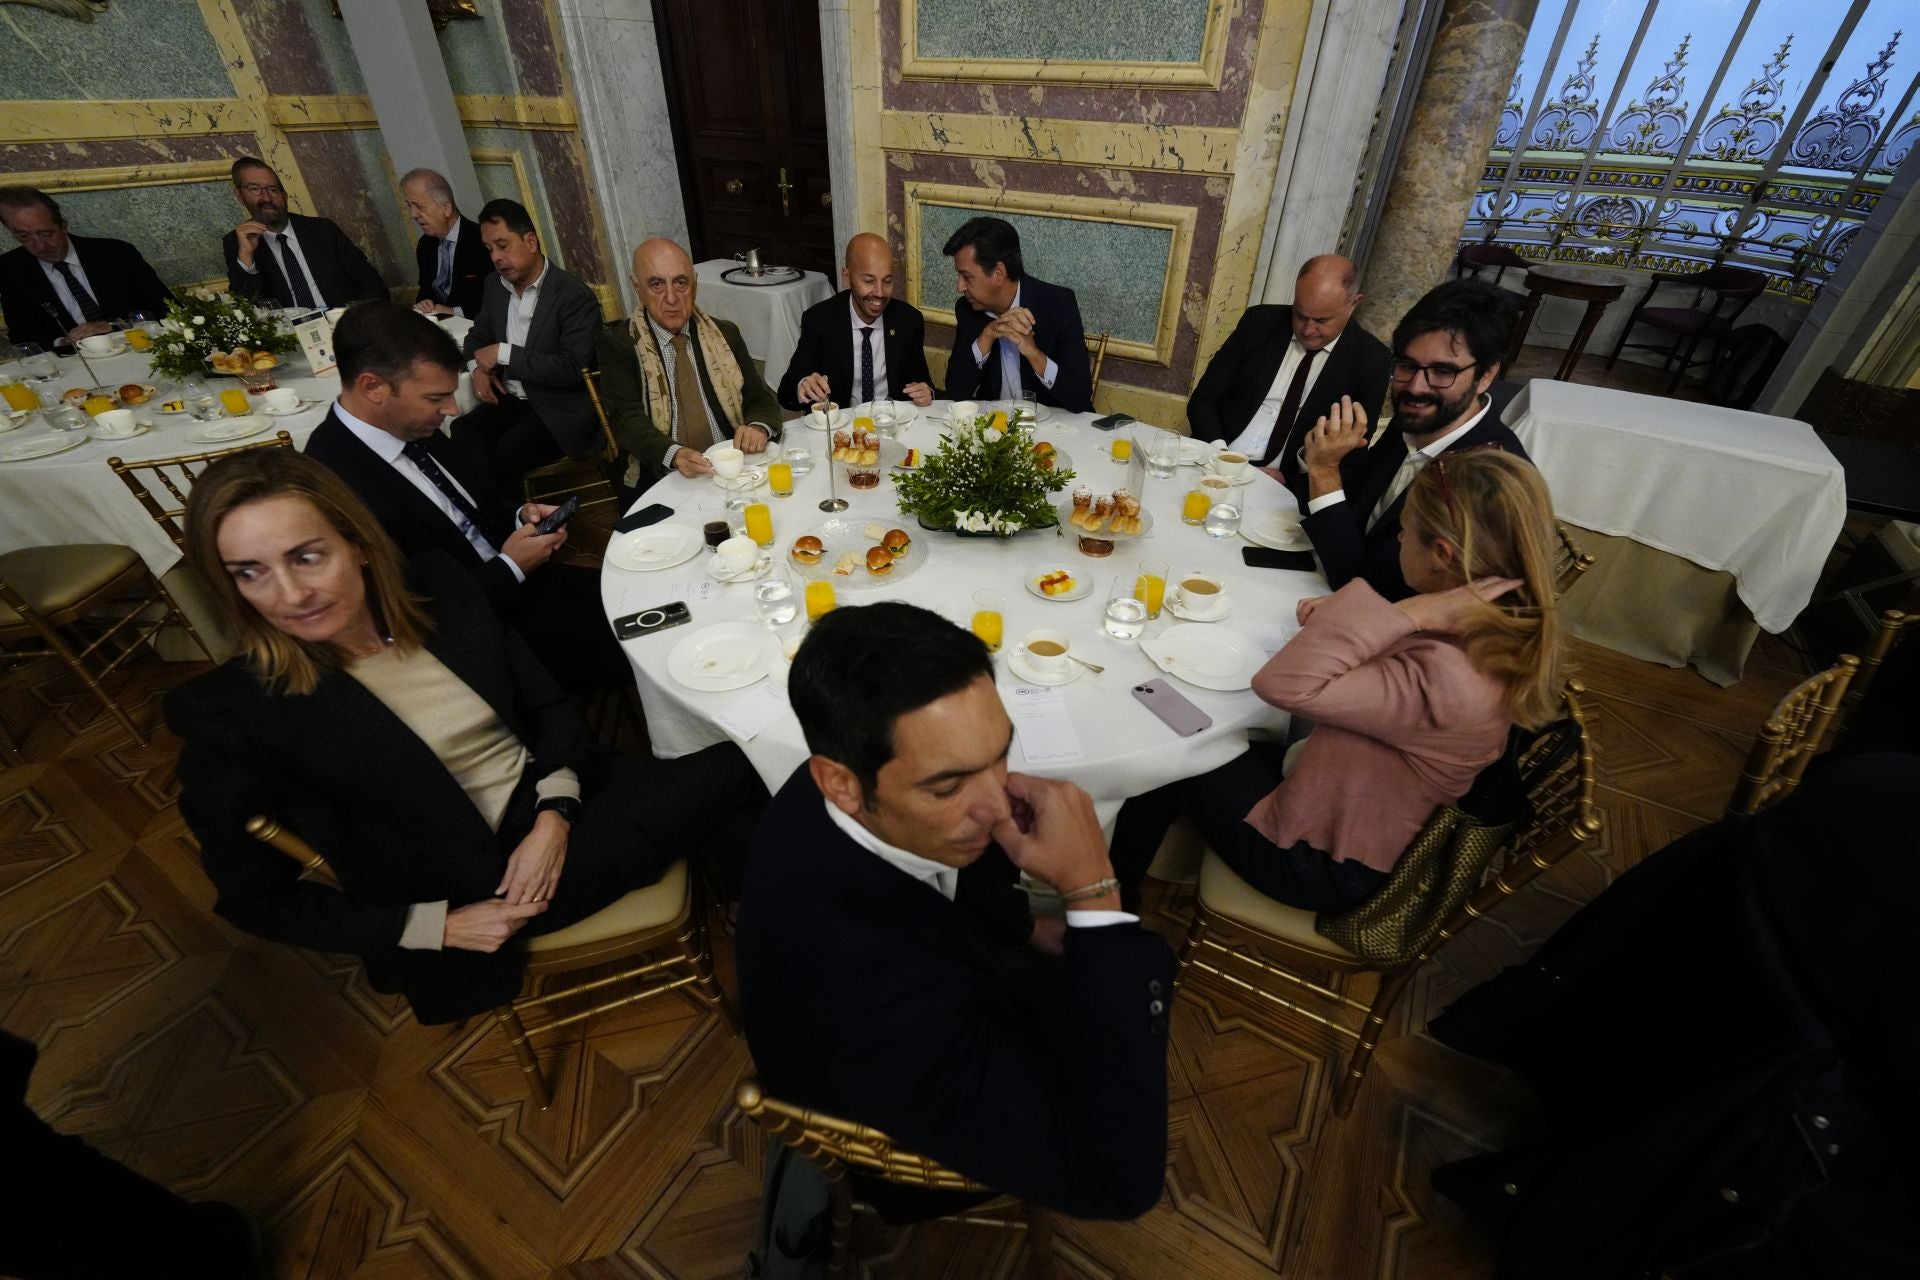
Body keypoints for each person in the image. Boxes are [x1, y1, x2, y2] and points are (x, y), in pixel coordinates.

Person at [165, 450, 765, 1025]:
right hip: (494, 886)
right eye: (250, 573)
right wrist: (435, 927)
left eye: (307, 557)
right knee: (749, 762)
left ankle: (744, 894)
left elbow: (550, 706)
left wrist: (554, 814)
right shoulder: (232, 711)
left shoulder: (438, 587)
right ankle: (753, 906)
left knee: (738, 769)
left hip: (561, 798)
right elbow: (253, 899)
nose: (291, 595)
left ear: (359, 544)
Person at [736, 602, 1172, 1223]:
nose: (997, 808)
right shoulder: (880, 1004)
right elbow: (1120, 1183)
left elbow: (926, 884)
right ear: (842, 783)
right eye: (948, 787)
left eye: (1001, 756)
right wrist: (1093, 891)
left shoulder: (827, 789)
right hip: (924, 1147)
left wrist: (1026, 923)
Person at [1110, 450, 1562, 914]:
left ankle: (1110, 912)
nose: (1399, 537)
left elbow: (1284, 686)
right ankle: (1153, 869)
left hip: (1319, 858)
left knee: (1167, 763)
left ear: (1441, 555)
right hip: (1334, 796)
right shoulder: (1497, 628)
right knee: (1204, 734)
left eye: (1405, 529)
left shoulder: (1450, 677)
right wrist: (1365, 620)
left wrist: (1407, 612)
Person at [304, 301, 632, 695]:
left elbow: (471, 501)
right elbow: (412, 614)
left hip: (529, 588)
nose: (452, 408)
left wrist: (520, 514)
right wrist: (511, 567)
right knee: (642, 650)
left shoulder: (408, 424)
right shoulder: (331, 483)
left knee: (642, 602)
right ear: (373, 387)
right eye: (435, 398)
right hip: (480, 641)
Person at [1299, 277, 1531, 601]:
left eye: (1442, 371)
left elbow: (1360, 585)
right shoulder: (1418, 420)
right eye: (1406, 366)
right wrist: (1324, 455)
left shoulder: (1483, 482)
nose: (1416, 388)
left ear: (1486, 375)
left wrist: (1324, 471)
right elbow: (1360, 500)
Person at [1186, 254, 1392, 498]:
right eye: (1300, 315)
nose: (1307, 329)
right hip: (1216, 459)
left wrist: (1290, 481)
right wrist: (1221, 455)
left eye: (1322, 320)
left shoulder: (1371, 361)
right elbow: (1204, 398)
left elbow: (1353, 458)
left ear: (1353, 304)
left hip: (1282, 488)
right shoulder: (1259, 323)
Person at [596, 237, 783, 487]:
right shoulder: (619, 345)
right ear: (637, 288)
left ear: (694, 284)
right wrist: (673, 454)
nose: (671, 298)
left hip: (730, 466)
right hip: (663, 474)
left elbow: (757, 397)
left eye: (680, 283)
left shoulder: (724, 334)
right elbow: (625, 418)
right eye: (657, 284)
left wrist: (758, 427)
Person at [455, 198, 604, 494]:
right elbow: (477, 336)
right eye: (489, 249)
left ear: (531, 241)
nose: (496, 258)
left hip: (559, 408)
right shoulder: (495, 286)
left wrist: (503, 353)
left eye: (503, 245)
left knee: (505, 453)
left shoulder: (572, 295)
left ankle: (515, 517)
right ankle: (498, 515)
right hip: (511, 397)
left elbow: (571, 368)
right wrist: (477, 369)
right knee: (463, 432)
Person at [940, 216, 1093, 413]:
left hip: (1053, 426)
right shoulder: (968, 309)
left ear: (998, 273)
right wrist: (986, 337)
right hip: (995, 425)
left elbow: (1080, 396)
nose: (959, 287)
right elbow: (956, 392)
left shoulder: (1057, 304)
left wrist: (1033, 353)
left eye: (967, 277)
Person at [0, 186, 174, 352]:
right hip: (72, 361)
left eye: (46, 233)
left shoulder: (117, 254)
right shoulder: (10, 269)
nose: (39, 246)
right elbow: (22, 336)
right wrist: (64, 342)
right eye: (24, 236)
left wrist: (113, 325)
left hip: (136, 348)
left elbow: (168, 310)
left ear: (63, 226)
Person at [776, 232, 935, 412]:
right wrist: (803, 385)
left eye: (887, 281)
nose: (880, 293)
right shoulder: (820, 320)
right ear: (847, 277)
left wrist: (926, 391)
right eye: (869, 281)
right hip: (840, 424)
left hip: (889, 420)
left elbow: (922, 382)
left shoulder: (908, 321)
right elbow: (786, 393)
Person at [221, 157, 385, 310]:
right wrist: (246, 257)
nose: (267, 198)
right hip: (289, 330)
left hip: (341, 323)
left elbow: (373, 285)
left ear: (284, 195)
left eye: (273, 189)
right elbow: (246, 309)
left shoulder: (323, 230)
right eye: (254, 189)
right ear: (239, 196)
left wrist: (353, 320)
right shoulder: (237, 242)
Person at [401, 168, 490, 319]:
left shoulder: (481, 241)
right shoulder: (425, 245)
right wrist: (425, 303)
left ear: (446, 208)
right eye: (410, 206)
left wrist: (454, 312)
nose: (414, 215)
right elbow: (425, 291)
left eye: (420, 207)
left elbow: (495, 299)